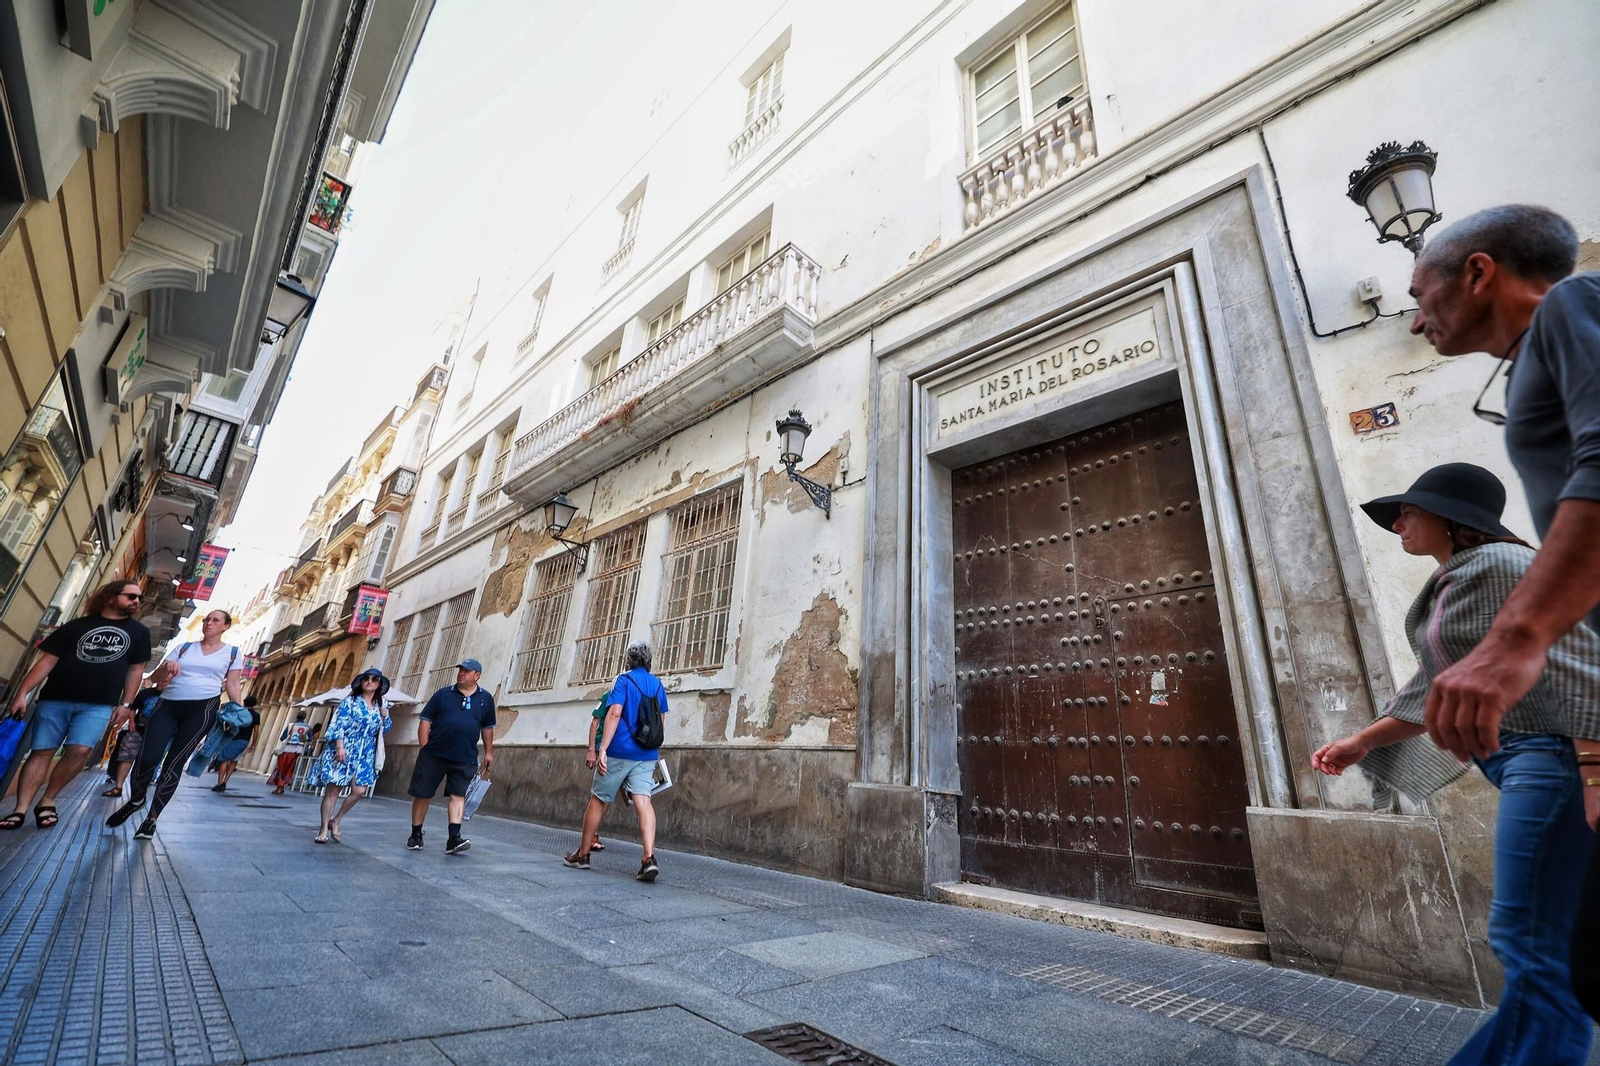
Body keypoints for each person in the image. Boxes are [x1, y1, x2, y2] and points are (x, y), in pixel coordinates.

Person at [1312, 464, 1600, 1065]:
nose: (1397, 523)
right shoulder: (1467, 576)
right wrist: (1361, 742)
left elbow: (1579, 661)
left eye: (1409, 512)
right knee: (1541, 944)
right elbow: (1439, 686)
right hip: (1530, 760)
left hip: (1552, 759)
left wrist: (1594, 764)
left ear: (1452, 518)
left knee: (1531, 943)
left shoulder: (1500, 568)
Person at [1405, 205, 1600, 1018]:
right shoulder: (1525, 367)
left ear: (1479, 273)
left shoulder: (1572, 304)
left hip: (1550, 756)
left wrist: (1515, 640)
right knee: (1570, 964)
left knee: (1550, 961)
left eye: (1422, 294)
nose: (1415, 319)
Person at [1, 580, 151, 830]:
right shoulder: (77, 626)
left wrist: (126, 703)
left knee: (81, 751)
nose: (136, 601)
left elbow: (136, 670)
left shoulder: (139, 633)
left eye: (139, 597)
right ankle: (20, 808)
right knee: (42, 751)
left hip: (99, 704)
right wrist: (22, 693)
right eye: (131, 596)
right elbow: (47, 661)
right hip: (55, 697)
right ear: (111, 597)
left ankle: (48, 799)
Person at [107, 609, 243, 840]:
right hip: (168, 705)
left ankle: (151, 820)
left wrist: (237, 712)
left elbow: (232, 683)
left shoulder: (232, 653)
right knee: (147, 757)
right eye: (207, 619)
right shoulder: (184, 648)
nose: (209, 623)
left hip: (202, 709)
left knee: (174, 763)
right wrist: (166, 668)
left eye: (215, 620)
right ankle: (137, 798)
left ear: (225, 626)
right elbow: (156, 677)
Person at [564, 641, 668, 881]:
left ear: (628, 660)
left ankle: (583, 854)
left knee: (598, 800)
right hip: (646, 754)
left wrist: (602, 749)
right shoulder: (658, 684)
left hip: (619, 751)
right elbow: (660, 720)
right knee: (644, 801)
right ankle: (648, 857)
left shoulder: (623, 680)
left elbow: (614, 713)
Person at [406, 658, 494, 855]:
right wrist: (424, 748)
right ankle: (416, 834)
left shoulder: (485, 699)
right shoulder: (443, 694)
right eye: (461, 670)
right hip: (434, 754)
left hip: (465, 757)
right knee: (423, 794)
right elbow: (425, 720)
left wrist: (489, 752)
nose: (462, 673)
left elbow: (487, 727)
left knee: (458, 796)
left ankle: (454, 838)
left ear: (477, 675)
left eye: (467, 670)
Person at [308, 670, 392, 843]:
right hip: (345, 748)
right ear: (361, 682)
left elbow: (384, 730)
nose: (369, 682)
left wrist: (386, 717)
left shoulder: (382, 704)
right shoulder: (350, 701)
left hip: (366, 753)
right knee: (333, 791)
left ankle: (336, 820)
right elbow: (338, 724)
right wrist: (340, 746)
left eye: (374, 679)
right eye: (366, 679)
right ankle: (323, 829)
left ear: (379, 684)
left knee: (360, 790)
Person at [102, 685, 162, 798]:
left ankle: (139, 792)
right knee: (126, 756)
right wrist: (132, 722)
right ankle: (118, 787)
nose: (164, 683)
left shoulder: (173, 696)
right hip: (137, 730)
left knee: (148, 761)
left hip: (157, 733)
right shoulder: (146, 693)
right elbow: (133, 708)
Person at [210, 695, 261, 792]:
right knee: (234, 761)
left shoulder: (240, 712)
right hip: (244, 741)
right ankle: (225, 781)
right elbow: (256, 730)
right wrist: (253, 743)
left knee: (224, 759)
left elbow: (230, 723)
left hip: (232, 738)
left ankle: (220, 783)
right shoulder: (256, 715)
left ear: (244, 702)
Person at [268, 711, 312, 794]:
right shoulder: (308, 727)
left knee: (281, 769)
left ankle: (279, 787)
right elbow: (310, 739)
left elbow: (282, 738)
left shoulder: (291, 725)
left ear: (296, 716)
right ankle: (283, 786)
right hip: (298, 750)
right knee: (290, 769)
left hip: (287, 749)